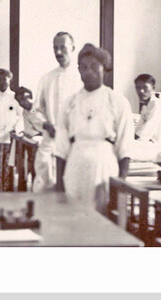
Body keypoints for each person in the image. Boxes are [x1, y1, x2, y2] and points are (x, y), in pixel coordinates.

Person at [55, 44, 134, 213]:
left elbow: (125, 148)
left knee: (102, 218)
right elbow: (61, 148)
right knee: (74, 217)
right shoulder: (69, 103)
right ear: (78, 70)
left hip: (104, 166)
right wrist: (59, 186)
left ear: (104, 68)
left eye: (93, 66)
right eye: (83, 67)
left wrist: (120, 184)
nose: (88, 71)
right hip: (75, 165)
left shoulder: (118, 102)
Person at [33, 31, 83, 192]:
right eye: (55, 48)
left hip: (75, 142)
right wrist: (46, 124)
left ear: (73, 48)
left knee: (72, 187)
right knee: (44, 185)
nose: (58, 52)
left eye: (63, 47)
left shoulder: (82, 79)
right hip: (51, 140)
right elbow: (36, 111)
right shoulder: (47, 79)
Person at [10, 86, 45, 191]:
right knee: (27, 167)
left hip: (43, 142)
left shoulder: (40, 108)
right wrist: (21, 135)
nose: (21, 103)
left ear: (30, 97)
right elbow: (29, 130)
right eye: (19, 101)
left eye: (22, 99)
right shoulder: (25, 112)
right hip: (32, 142)